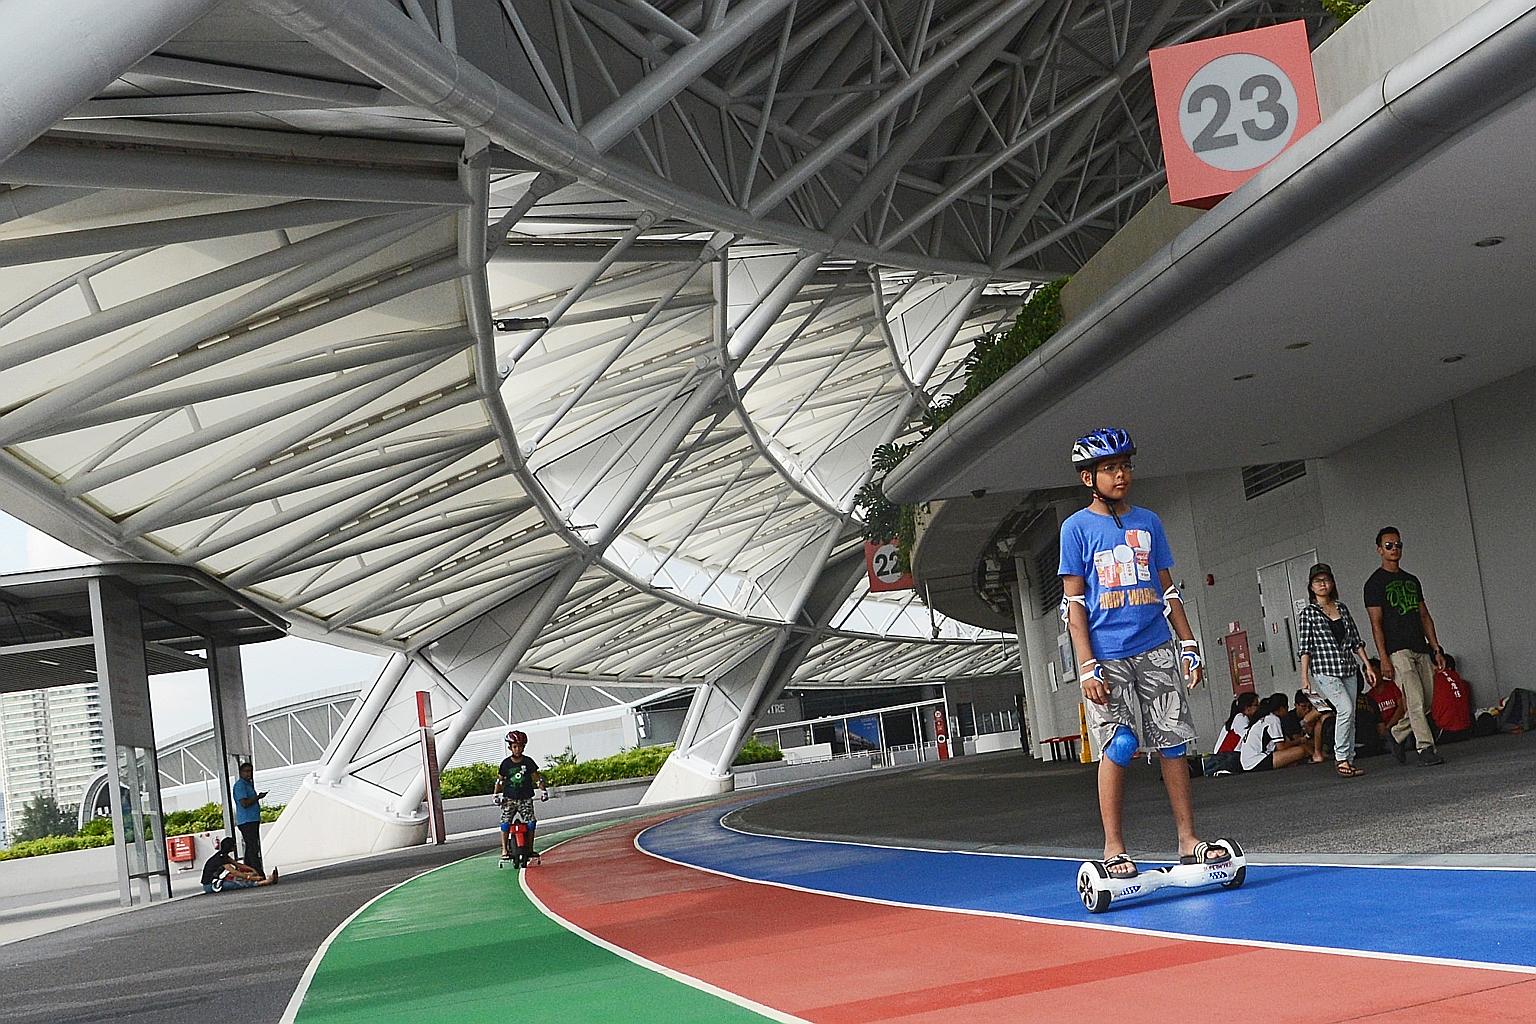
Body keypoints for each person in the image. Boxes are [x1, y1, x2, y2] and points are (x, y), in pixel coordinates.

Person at [1058, 427, 1228, 881]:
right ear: (1087, 477)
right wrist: (1087, 666)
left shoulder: (1148, 522)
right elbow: (1074, 607)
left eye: (1125, 466)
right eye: (1110, 468)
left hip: (1156, 647)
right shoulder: (1075, 529)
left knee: (1174, 742)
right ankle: (1114, 848)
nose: (1121, 474)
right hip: (1107, 657)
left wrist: (1189, 645)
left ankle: (1188, 841)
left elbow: (1167, 590)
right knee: (1121, 743)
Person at [1363, 527, 1447, 766]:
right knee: (1416, 699)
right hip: (1397, 650)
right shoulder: (1374, 583)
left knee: (1426, 701)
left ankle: (1396, 734)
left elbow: (1424, 615)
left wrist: (1436, 648)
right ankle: (1425, 748)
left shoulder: (1411, 580)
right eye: (1389, 545)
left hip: (1420, 647)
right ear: (1379, 549)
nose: (1395, 549)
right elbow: (1376, 623)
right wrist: (1383, 658)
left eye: (1398, 544)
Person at [1297, 562, 1378, 777]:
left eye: (1326, 580)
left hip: (1348, 667)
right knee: (1345, 709)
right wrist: (1304, 675)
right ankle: (1341, 757)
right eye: (1317, 581)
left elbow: (1355, 639)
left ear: (1332, 583)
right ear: (1311, 587)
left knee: (1350, 713)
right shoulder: (1308, 614)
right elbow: (1305, 647)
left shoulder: (1342, 608)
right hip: (1324, 669)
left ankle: (1349, 759)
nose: (1322, 584)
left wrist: (1367, 665)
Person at [495, 729, 548, 867]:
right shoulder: (506, 764)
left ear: (524, 747)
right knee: (505, 822)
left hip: (525, 798)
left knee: (531, 822)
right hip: (509, 799)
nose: (518, 749)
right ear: (510, 748)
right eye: (515, 746)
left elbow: (537, 777)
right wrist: (496, 795)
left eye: (520, 746)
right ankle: (504, 849)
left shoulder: (528, 762)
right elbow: (500, 781)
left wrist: (543, 790)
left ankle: (530, 848)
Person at [1239, 695, 1311, 772]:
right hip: (1256, 761)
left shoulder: (1263, 718)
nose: (1287, 711)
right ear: (1281, 708)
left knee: (1294, 753)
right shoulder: (1273, 719)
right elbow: (1281, 747)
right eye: (1286, 707)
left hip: (1247, 762)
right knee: (1300, 751)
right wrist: (1299, 741)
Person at [200, 836, 277, 893]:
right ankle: (264, 882)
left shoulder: (223, 855)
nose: (235, 847)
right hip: (210, 885)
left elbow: (238, 865)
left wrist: (252, 870)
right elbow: (235, 872)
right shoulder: (221, 858)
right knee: (236, 883)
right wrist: (251, 877)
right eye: (234, 845)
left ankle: (266, 880)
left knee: (241, 876)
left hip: (217, 881)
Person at [232, 762, 267, 878]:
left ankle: (248, 870)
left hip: (252, 819)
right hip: (247, 820)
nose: (249, 774)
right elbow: (244, 803)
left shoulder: (249, 784)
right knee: (252, 847)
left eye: (250, 771)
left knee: (251, 846)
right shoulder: (240, 786)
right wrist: (257, 797)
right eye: (246, 771)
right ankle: (257, 871)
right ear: (241, 773)